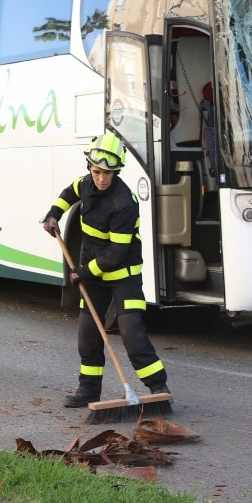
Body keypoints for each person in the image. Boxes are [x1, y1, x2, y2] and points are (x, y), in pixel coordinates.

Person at [41, 132, 169, 408]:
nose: (101, 178)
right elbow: (68, 193)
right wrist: (54, 214)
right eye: (97, 171)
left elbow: (116, 254)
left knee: (131, 333)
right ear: (90, 167)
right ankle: (88, 390)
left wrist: (83, 273)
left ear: (116, 171)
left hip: (124, 276)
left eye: (107, 173)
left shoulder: (124, 203)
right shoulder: (86, 184)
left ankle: (159, 389)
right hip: (94, 274)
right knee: (88, 334)